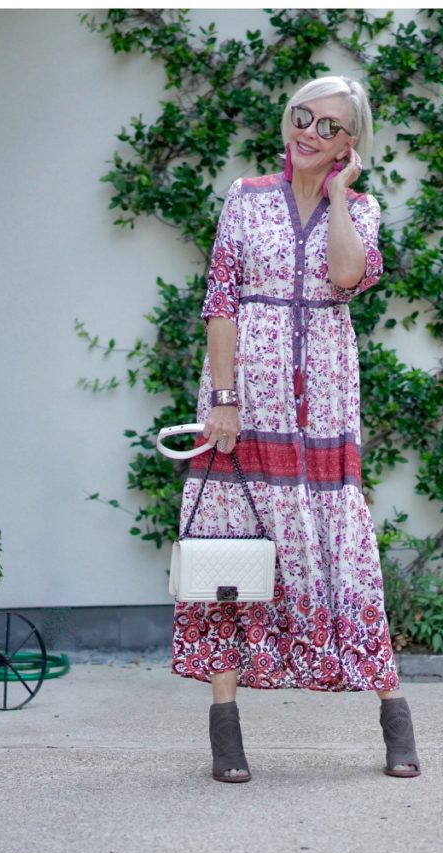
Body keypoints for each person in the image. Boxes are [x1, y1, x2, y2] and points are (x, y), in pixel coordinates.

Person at [173, 75, 421, 783]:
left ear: (349, 143)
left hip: (326, 407)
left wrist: (341, 193)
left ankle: (394, 716)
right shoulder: (245, 198)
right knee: (232, 553)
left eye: (327, 124)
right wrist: (222, 397)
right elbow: (221, 299)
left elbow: (347, 276)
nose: (306, 130)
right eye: (300, 115)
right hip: (245, 400)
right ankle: (226, 734)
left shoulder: (363, 210)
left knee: (349, 557)